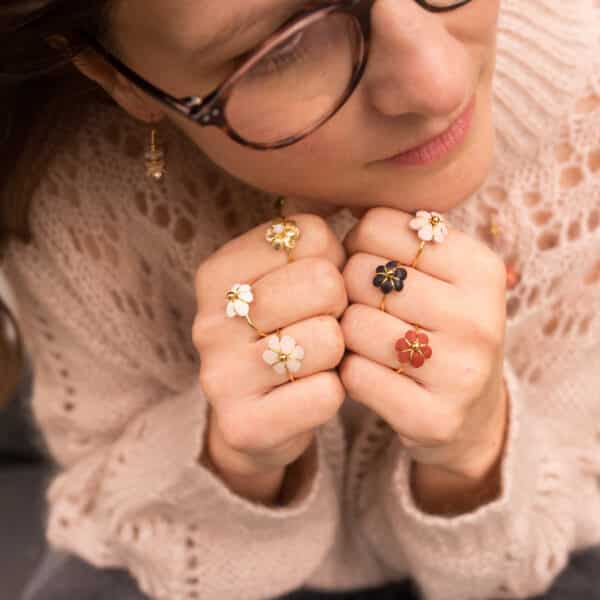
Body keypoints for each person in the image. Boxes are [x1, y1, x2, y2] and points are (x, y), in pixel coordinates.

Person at [1, 1, 600, 599]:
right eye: (284, 46)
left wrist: (474, 459)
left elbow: (548, 535)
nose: (438, 85)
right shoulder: (72, 182)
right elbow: (114, 510)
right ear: (113, 77)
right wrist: (232, 462)